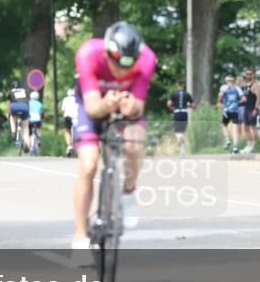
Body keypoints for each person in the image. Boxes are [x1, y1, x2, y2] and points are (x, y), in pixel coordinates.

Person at [71, 21, 156, 256]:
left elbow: (138, 107)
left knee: (135, 144)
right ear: (107, 53)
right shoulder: (88, 53)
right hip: (91, 103)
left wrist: (131, 108)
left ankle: (129, 191)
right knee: (88, 164)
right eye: (115, 65)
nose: (120, 73)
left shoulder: (147, 59)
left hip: (124, 101)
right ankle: (80, 235)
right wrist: (105, 105)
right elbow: (92, 107)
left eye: (127, 67)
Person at [166, 79, 194, 154]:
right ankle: (182, 150)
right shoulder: (187, 94)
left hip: (177, 113)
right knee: (183, 131)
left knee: (176, 131)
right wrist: (188, 105)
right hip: (184, 113)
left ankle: (183, 141)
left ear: (177, 85)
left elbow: (168, 104)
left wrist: (173, 108)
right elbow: (193, 105)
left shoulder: (174, 94)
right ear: (183, 85)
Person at [217, 75, 242, 153]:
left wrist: (219, 102)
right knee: (235, 128)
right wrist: (236, 103)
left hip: (226, 110)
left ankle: (227, 139)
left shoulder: (224, 87)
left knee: (223, 124)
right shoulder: (237, 88)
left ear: (226, 81)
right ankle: (235, 147)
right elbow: (244, 99)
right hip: (235, 111)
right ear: (233, 81)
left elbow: (220, 95)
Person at [7, 81, 30, 149]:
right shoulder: (24, 91)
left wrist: (9, 113)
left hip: (15, 106)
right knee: (25, 127)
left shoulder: (11, 92)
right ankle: (26, 144)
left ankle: (13, 133)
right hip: (24, 107)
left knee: (12, 116)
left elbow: (9, 104)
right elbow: (28, 101)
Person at [241, 68, 259, 154]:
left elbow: (258, 98)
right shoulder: (245, 85)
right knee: (246, 127)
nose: (249, 75)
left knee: (253, 127)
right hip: (246, 108)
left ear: (253, 74)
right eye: (247, 74)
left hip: (252, 108)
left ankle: (255, 146)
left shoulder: (255, 85)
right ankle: (249, 145)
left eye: (250, 74)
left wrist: (256, 109)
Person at [60, 87, 78, 156]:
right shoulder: (77, 99)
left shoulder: (65, 99)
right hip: (76, 117)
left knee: (67, 131)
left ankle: (69, 146)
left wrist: (63, 116)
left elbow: (63, 110)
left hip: (68, 117)